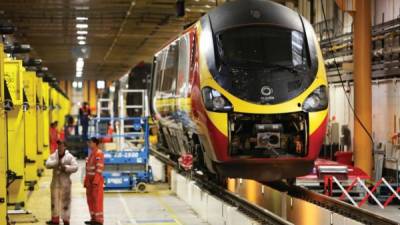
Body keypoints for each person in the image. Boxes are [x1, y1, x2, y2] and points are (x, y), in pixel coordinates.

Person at [45, 140, 78, 225]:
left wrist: (66, 168)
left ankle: (66, 221)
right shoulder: (54, 156)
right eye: (58, 146)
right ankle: (55, 221)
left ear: (65, 147)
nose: (59, 148)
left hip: (65, 185)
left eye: (61, 146)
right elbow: (47, 164)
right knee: (54, 203)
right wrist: (56, 163)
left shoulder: (69, 157)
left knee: (65, 204)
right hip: (55, 184)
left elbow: (75, 167)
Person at [84, 137, 104, 225]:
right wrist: (86, 181)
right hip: (90, 182)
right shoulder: (92, 154)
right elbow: (88, 169)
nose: (89, 144)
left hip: (96, 182)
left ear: (95, 143)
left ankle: (98, 220)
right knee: (90, 201)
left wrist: (95, 181)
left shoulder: (99, 154)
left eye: (90, 142)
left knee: (97, 201)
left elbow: (99, 169)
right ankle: (93, 218)